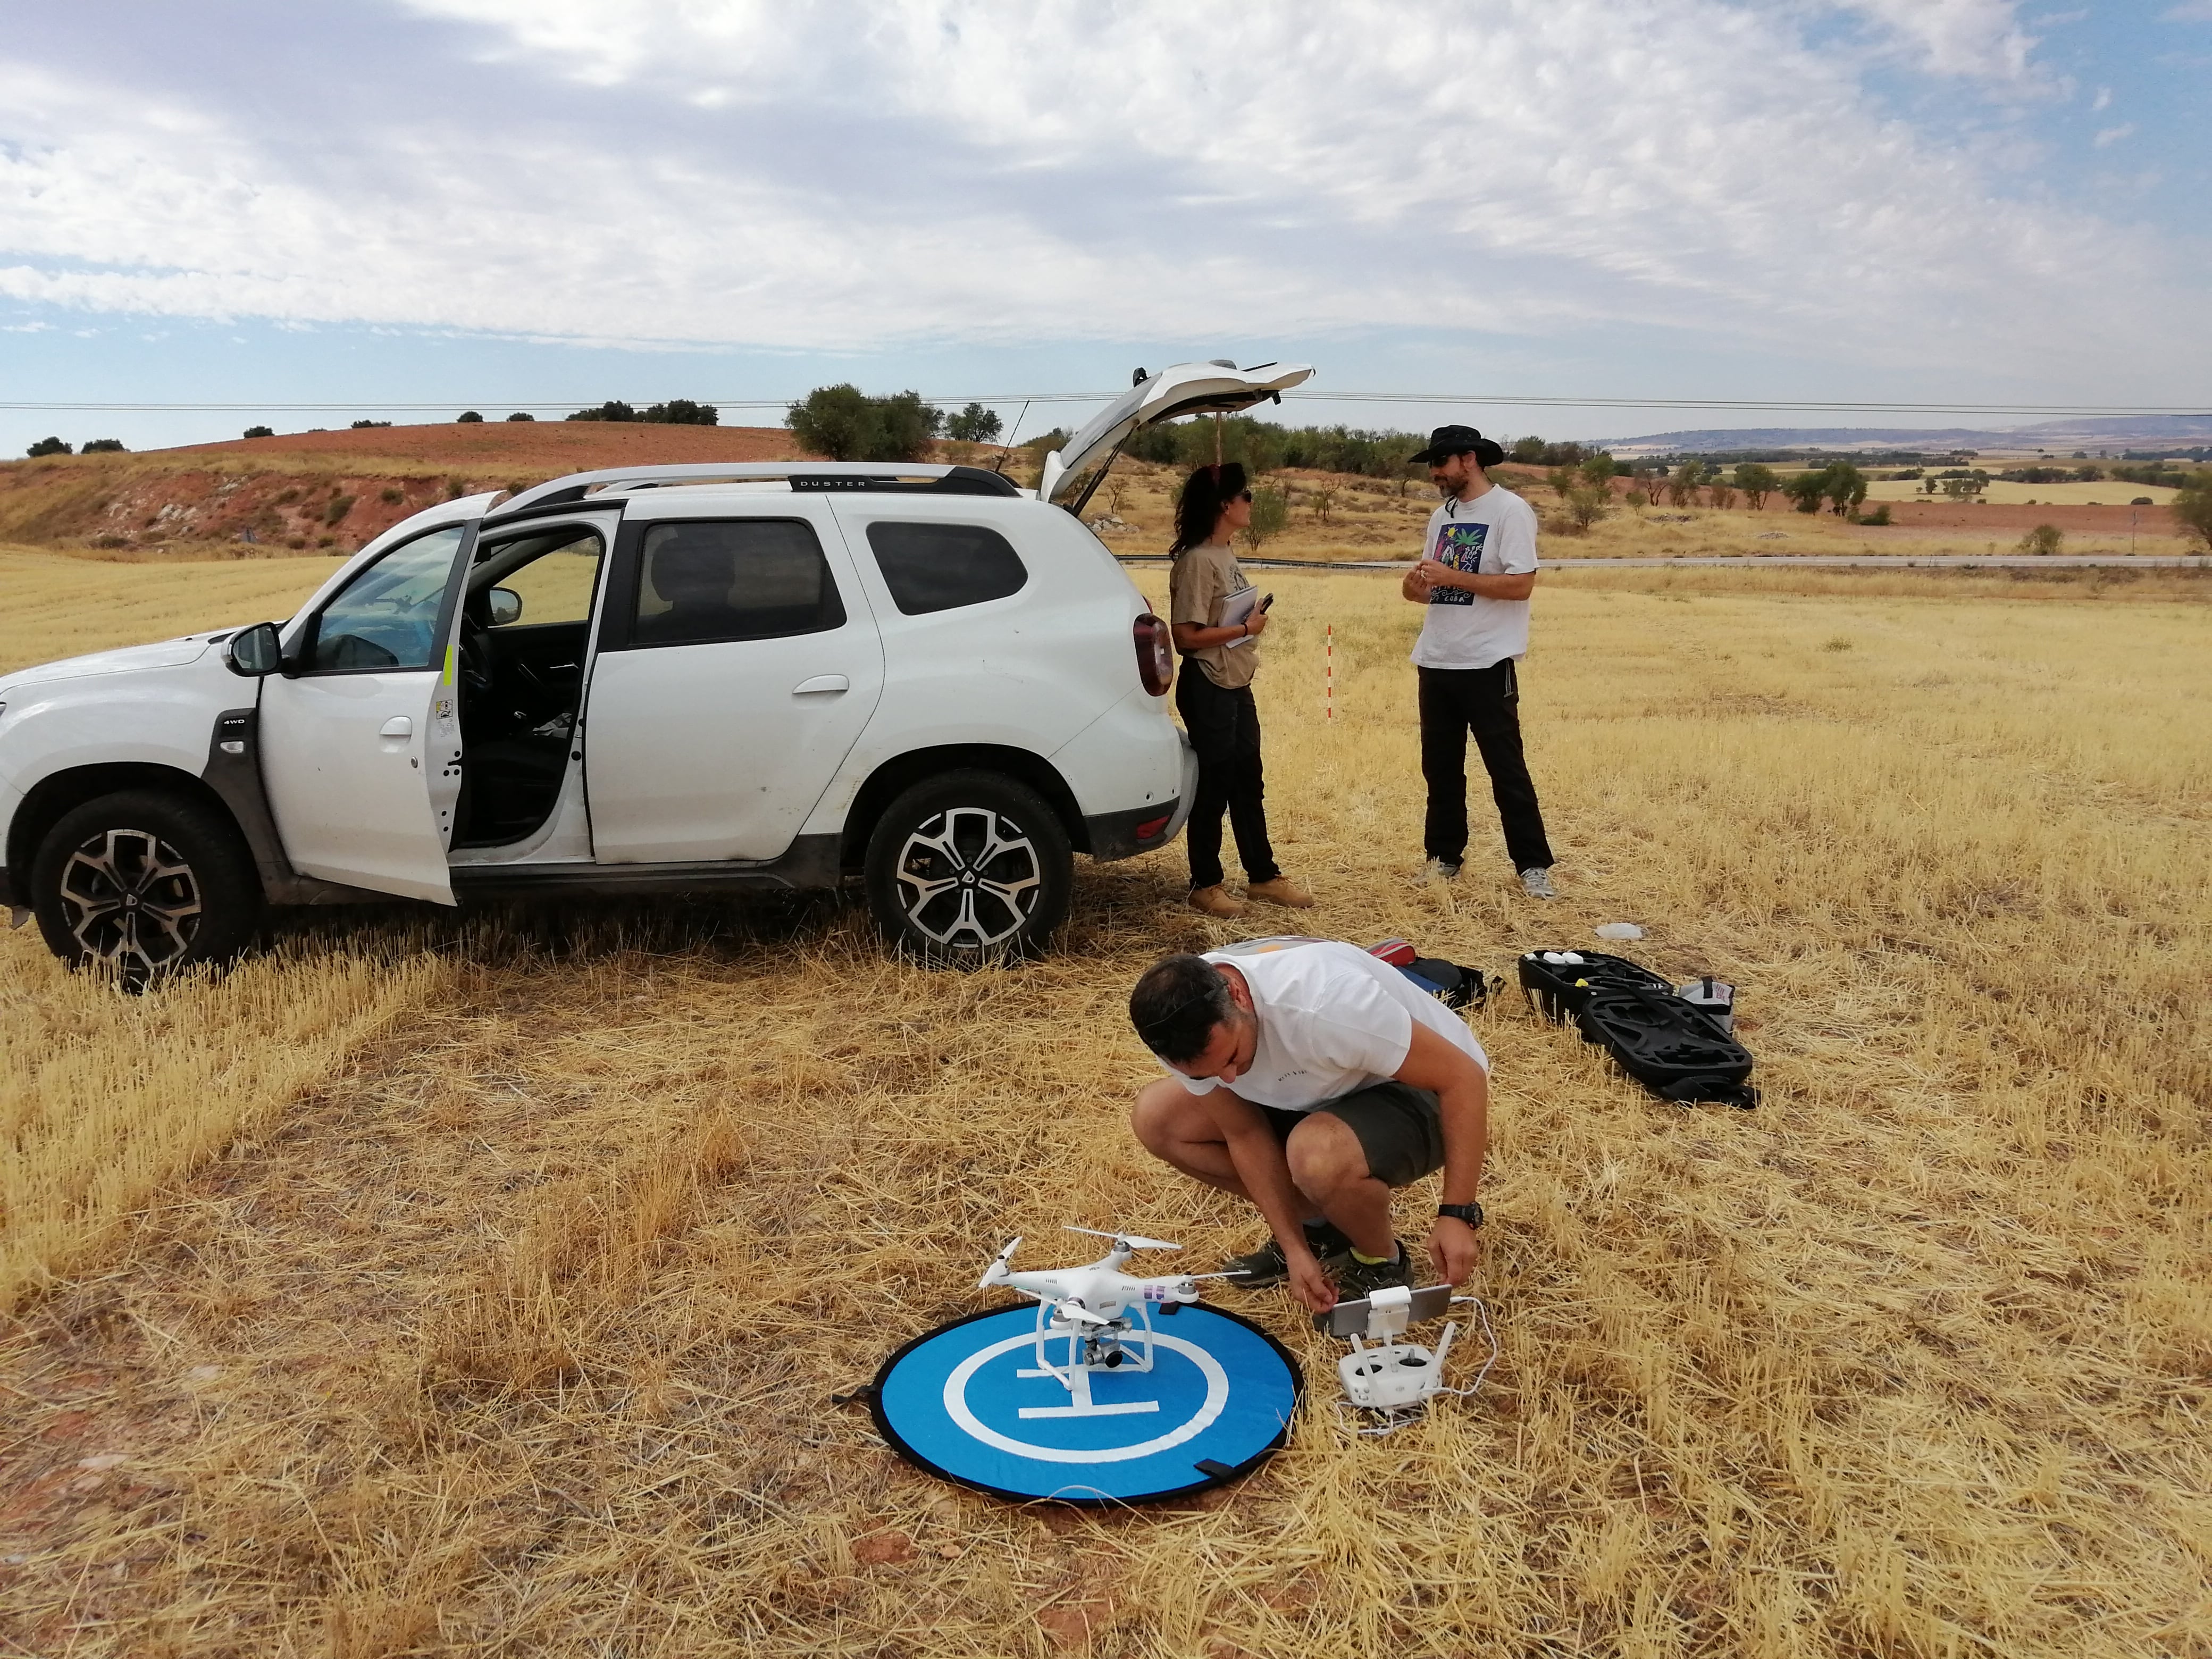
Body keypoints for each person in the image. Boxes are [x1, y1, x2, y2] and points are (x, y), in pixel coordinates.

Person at [1126, 941, 1491, 1314]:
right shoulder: (1172, 1026)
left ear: (1237, 995)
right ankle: (1323, 1231)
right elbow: (1244, 1133)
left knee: (1316, 1152)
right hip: (1315, 1091)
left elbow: (1463, 1079)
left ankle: (1381, 1262)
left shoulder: (1327, 1002)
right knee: (1158, 1117)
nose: (1230, 1079)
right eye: (1210, 1074)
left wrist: (1457, 1214)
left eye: (1232, 1057)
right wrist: (1294, 1247)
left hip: (1422, 1088)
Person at [1401, 424, 1557, 899]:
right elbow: (1428, 590)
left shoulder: (1511, 511)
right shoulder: (1441, 517)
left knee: (1506, 768)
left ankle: (1532, 866)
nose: (1434, 473)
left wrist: (1456, 576)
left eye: (1440, 463)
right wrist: (1415, 588)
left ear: (1468, 460)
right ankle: (1444, 857)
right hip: (1438, 658)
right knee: (1440, 769)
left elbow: (1521, 585)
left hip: (1487, 662)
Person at [1166, 462, 1312, 918]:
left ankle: (1263, 877)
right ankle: (1204, 884)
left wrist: (1244, 627)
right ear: (1225, 505)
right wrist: (1245, 628)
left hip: (1235, 681)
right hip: (1208, 684)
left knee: (1249, 780)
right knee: (1215, 785)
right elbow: (1186, 638)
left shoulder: (1225, 554)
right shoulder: (1196, 561)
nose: (1252, 503)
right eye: (1245, 496)